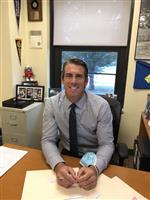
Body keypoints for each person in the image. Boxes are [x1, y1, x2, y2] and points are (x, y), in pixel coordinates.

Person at [41, 58, 114, 190]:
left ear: (86, 81)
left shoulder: (101, 106)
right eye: (69, 75)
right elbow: (48, 140)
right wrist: (58, 165)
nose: (73, 81)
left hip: (94, 157)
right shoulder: (51, 104)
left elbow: (107, 144)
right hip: (66, 156)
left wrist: (95, 169)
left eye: (79, 76)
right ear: (62, 79)